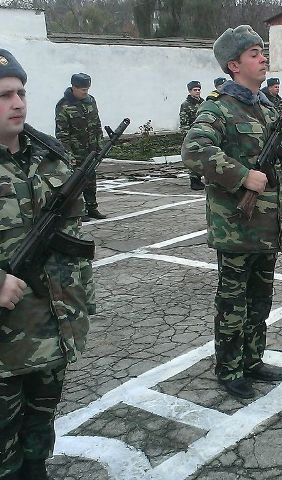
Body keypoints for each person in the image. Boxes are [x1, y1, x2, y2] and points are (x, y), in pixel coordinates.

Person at [0, 49, 95, 480]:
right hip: (4, 343)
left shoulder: (49, 156)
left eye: (21, 92)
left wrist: (80, 305)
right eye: (4, 95)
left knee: (38, 435)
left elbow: (72, 237)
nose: (17, 103)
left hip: (52, 329)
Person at [181, 25, 282, 399]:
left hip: (267, 225)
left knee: (260, 300)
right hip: (236, 227)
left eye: (263, 52)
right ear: (233, 64)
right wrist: (242, 175)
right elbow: (194, 150)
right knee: (233, 303)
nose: (263, 58)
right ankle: (229, 369)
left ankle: (253, 360)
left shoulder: (266, 105)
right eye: (254, 53)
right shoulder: (218, 106)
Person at [55, 73, 106, 220]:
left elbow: (97, 125)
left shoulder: (91, 101)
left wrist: (100, 146)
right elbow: (62, 135)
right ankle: (79, 211)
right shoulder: (63, 106)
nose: (85, 92)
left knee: (91, 180)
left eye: (87, 89)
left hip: (91, 150)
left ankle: (92, 208)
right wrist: (68, 155)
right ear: (74, 87)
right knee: (76, 183)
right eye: (83, 90)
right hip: (75, 152)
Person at [179, 80, 205, 190]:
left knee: (204, 156)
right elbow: (184, 123)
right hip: (192, 134)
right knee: (194, 157)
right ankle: (194, 180)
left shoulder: (203, 103)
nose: (197, 91)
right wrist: (187, 136)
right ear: (190, 91)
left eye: (199, 89)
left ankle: (201, 178)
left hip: (204, 133)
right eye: (195, 90)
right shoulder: (186, 105)